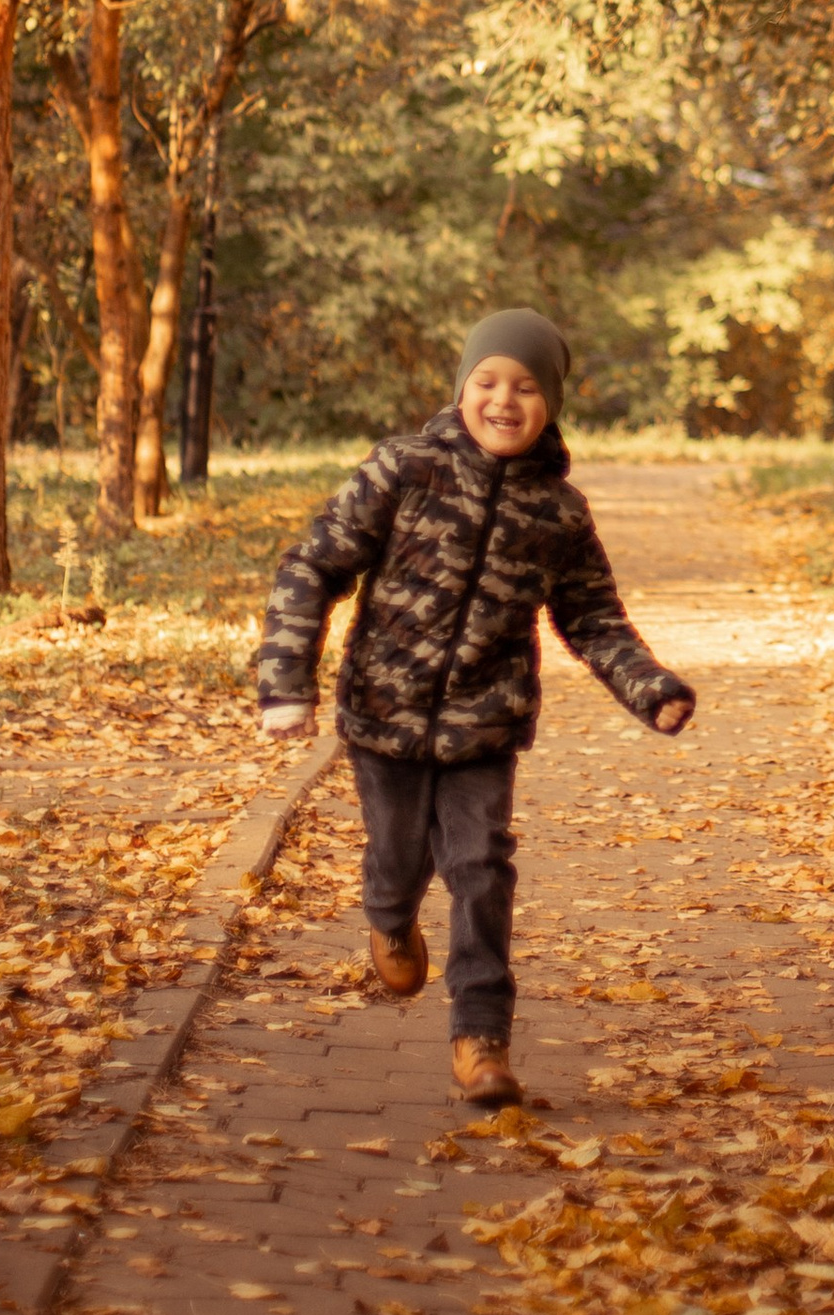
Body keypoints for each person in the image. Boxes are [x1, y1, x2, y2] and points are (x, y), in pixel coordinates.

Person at [256, 308, 694, 1108]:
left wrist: (651, 688)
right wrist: (287, 682)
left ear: (552, 404)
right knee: (396, 858)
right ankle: (389, 917)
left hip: (484, 724)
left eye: (526, 387)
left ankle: (480, 1036)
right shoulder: (404, 470)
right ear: (461, 389)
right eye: (487, 381)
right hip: (383, 714)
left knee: (481, 866)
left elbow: (592, 619)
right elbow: (312, 566)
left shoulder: (558, 513)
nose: (504, 400)